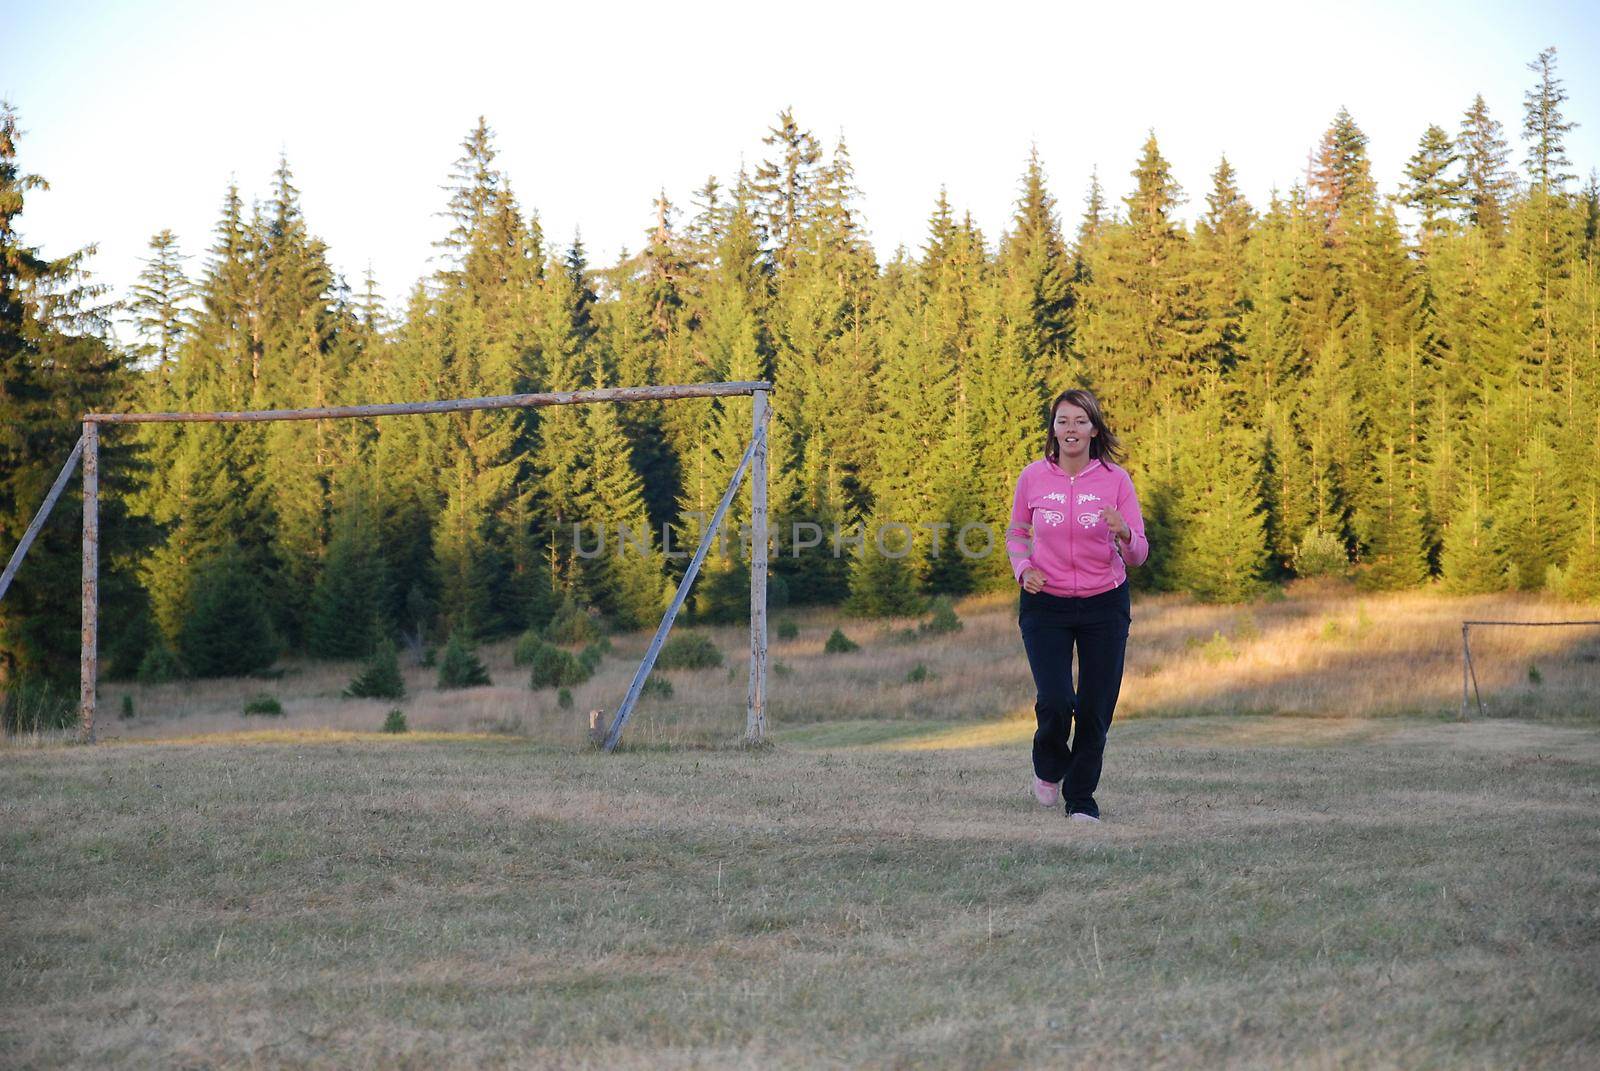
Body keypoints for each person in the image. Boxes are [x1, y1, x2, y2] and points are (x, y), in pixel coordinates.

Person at [1006, 387, 1148, 823]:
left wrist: (1123, 532)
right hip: (1044, 603)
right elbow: (1016, 534)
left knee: (1094, 708)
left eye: (1080, 421)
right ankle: (1049, 768)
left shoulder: (1116, 480)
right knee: (1054, 700)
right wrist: (1023, 568)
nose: (1071, 429)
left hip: (1104, 604)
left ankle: (1081, 800)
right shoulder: (1033, 477)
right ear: (1053, 428)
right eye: (1063, 421)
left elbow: (1140, 554)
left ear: (1094, 428)